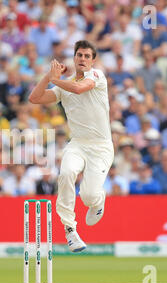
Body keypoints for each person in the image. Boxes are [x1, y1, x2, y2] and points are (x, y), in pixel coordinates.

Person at [29, 40, 114, 253]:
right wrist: (50, 77)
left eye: (87, 56)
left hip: (101, 146)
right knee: (66, 173)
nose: (83, 59)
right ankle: (70, 230)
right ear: (74, 58)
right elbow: (35, 98)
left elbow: (78, 88)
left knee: (88, 196)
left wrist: (56, 80)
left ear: (93, 60)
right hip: (77, 144)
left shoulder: (97, 76)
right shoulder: (62, 85)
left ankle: (98, 200)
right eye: (79, 56)